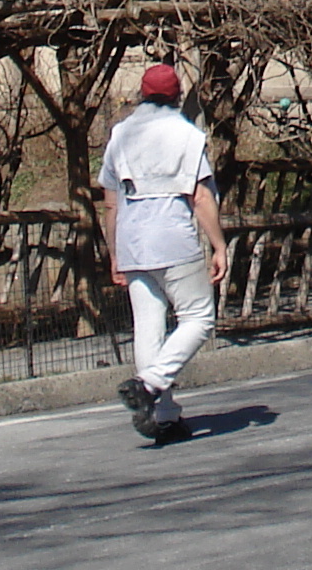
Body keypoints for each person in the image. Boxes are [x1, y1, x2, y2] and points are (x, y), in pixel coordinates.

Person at [97, 63, 230, 444]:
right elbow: (200, 196)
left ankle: (165, 416)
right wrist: (218, 245)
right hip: (172, 237)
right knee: (199, 317)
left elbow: (110, 202)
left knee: (149, 325)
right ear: (176, 95)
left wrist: (113, 253)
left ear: (141, 92)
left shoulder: (120, 134)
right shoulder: (186, 135)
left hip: (132, 238)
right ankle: (150, 385)